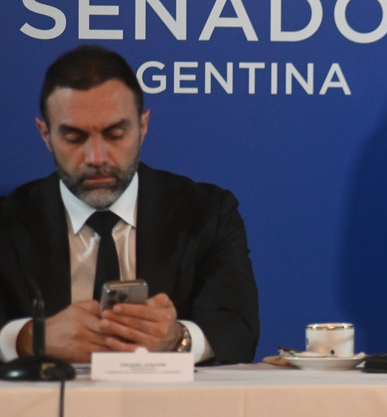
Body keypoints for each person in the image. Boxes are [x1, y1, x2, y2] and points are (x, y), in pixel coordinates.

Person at [0, 45, 259, 364]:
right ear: (45, 135)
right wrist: (28, 338)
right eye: (74, 137)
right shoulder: (7, 221)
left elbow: (237, 330)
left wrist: (178, 338)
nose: (96, 157)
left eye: (115, 134)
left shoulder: (206, 213)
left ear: (142, 127)